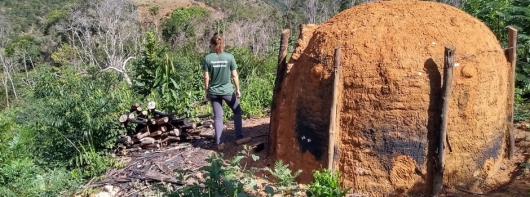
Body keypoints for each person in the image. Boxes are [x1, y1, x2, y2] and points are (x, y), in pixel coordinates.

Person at [202, 34, 251, 151]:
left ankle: (220, 143)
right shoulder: (229, 57)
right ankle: (239, 137)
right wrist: (238, 89)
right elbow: (234, 75)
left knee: (218, 117)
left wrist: (207, 91)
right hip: (227, 91)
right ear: (222, 44)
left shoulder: (208, 58)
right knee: (237, 110)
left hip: (214, 92)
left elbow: (206, 77)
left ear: (213, 45)